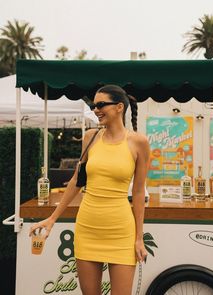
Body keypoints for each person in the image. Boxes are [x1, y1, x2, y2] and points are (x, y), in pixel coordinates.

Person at [30, 84, 150, 295]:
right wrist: (52, 218)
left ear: (119, 107)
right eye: (94, 105)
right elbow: (77, 180)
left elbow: (139, 192)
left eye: (101, 104)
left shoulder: (139, 142)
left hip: (121, 231)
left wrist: (139, 237)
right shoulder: (90, 137)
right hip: (88, 227)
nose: (95, 110)